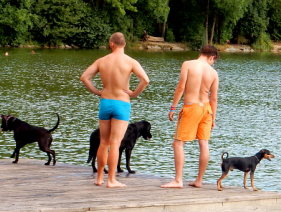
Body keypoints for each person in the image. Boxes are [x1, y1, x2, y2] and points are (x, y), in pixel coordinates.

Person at [80, 32, 149, 188]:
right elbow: (145, 80)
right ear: (124, 44)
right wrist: (134, 94)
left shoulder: (102, 61)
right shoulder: (130, 62)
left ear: (111, 43)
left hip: (105, 102)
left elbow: (84, 77)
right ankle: (111, 180)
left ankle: (99, 178)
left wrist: (97, 91)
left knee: (103, 142)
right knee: (115, 143)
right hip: (122, 103)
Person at [161, 45, 219, 189]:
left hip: (191, 107)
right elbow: (214, 99)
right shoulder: (213, 73)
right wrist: (213, 118)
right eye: (214, 60)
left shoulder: (188, 64)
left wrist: (173, 107)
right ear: (211, 57)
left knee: (178, 143)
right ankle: (199, 180)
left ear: (202, 53)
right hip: (206, 109)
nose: (213, 63)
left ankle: (178, 180)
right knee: (204, 144)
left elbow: (181, 87)